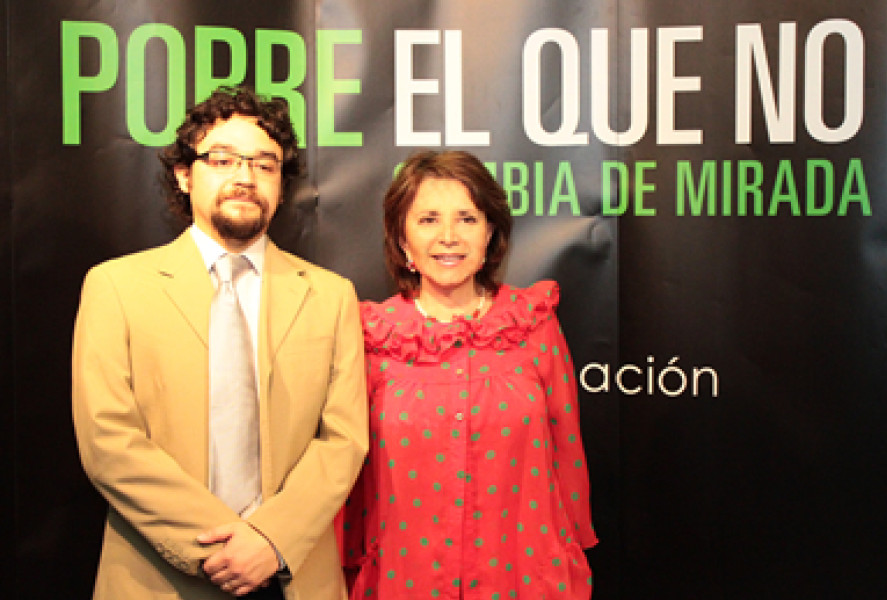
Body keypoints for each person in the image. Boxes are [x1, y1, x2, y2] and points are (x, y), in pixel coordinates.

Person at [72, 87, 368, 600]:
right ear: (184, 175)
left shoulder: (330, 296)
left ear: (281, 185)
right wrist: (225, 547)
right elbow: (108, 441)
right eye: (222, 159)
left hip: (291, 576)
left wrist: (271, 541)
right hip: (157, 576)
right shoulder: (115, 287)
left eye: (264, 164)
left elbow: (343, 440)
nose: (244, 178)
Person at [340, 150, 598, 599]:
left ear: (489, 233)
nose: (449, 237)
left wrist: (572, 546)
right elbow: (349, 474)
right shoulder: (373, 337)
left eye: (467, 218)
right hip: (406, 578)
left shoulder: (533, 323)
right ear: (402, 240)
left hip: (522, 574)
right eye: (428, 220)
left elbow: (566, 449)